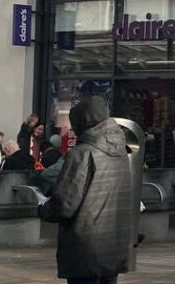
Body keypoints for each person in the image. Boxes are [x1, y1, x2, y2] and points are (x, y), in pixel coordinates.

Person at [41, 97, 132, 284]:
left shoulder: (82, 153)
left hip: (84, 245)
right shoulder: (121, 152)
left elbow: (65, 204)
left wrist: (43, 208)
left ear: (83, 122)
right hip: (112, 244)